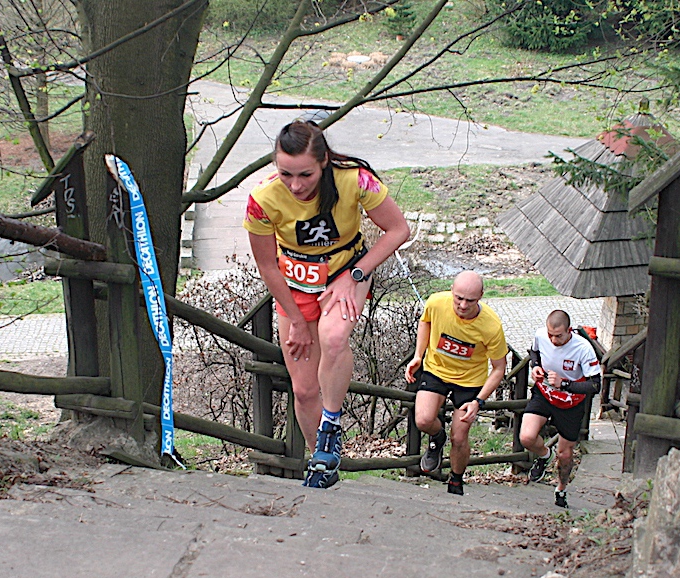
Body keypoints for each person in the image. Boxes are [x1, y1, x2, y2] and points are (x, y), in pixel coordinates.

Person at [244, 120, 410, 488]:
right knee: (303, 390)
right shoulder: (263, 199)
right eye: (286, 174)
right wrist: (297, 321)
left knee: (334, 337)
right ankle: (321, 460)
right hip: (295, 286)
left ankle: (331, 424)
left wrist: (355, 275)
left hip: (347, 274)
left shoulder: (355, 180)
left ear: (323, 162)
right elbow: (267, 265)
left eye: (305, 174)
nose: (296, 185)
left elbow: (399, 229)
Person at [404, 271, 507, 496]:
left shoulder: (491, 325)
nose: (463, 305)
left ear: (481, 296)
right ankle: (437, 437)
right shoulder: (436, 302)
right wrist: (418, 355)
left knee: (459, 437)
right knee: (423, 420)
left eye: (470, 300)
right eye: (458, 298)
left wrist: (479, 401)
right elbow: (425, 322)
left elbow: (499, 368)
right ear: (451, 290)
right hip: (436, 370)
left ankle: (456, 480)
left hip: (469, 380)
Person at [518, 309, 601, 508]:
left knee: (565, 454)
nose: (554, 340)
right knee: (526, 437)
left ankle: (561, 489)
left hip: (571, 404)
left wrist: (565, 384)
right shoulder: (541, 335)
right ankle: (545, 455)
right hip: (544, 394)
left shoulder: (583, 348)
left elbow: (595, 385)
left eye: (559, 336)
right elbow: (534, 352)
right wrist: (535, 366)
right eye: (550, 335)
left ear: (569, 330)